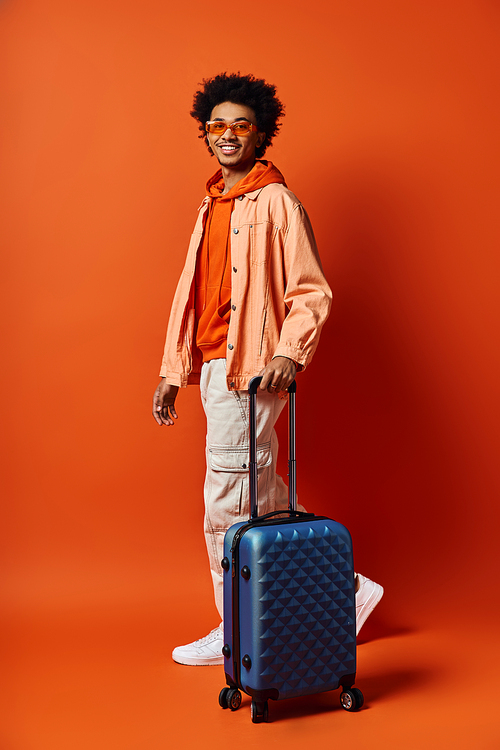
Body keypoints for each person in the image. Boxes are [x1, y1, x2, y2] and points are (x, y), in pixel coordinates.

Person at [152, 73, 383, 666]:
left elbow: (310, 290)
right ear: (206, 135)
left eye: (241, 125)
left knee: (228, 501)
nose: (228, 135)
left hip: (249, 371)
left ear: (261, 134)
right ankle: (346, 589)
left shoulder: (276, 202)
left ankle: (235, 627)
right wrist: (174, 370)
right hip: (212, 369)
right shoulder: (211, 205)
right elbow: (193, 296)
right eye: (217, 125)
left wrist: (288, 352)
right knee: (261, 490)